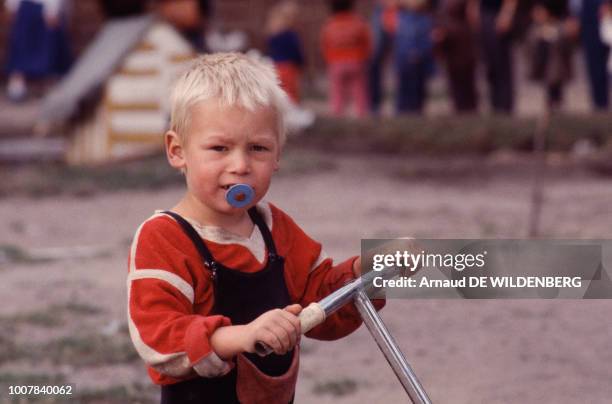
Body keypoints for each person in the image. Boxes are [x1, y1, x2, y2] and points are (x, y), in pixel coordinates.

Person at [126, 52, 384, 404]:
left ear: (278, 156)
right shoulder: (165, 238)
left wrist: (367, 272)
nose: (240, 165)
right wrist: (239, 336)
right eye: (219, 148)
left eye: (258, 148)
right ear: (177, 150)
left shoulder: (275, 228)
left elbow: (321, 302)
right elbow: (158, 337)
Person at [4, 0, 72, 102]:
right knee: (20, 44)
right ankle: (17, 83)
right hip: (25, 8)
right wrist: (12, 5)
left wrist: (53, 10)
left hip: (45, 9)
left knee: (49, 46)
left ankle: (50, 84)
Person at [320, 0, 372, 117]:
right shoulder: (358, 22)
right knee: (359, 89)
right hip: (356, 61)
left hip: (336, 62)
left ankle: (337, 113)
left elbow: (324, 44)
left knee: (337, 90)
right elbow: (367, 42)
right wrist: (364, 56)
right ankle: (361, 113)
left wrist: (329, 59)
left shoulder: (330, 24)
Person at [435, 0, 479, 112]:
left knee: (466, 77)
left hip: (462, 38)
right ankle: (458, 109)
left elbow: (473, 17)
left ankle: (469, 110)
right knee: (454, 78)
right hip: (448, 40)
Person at [476, 0, 518, 113]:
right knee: (490, 64)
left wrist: (506, 15)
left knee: (501, 64)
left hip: (499, 14)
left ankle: (505, 106)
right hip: (485, 14)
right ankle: (494, 104)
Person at [394, 0, 435, 114]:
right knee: (404, 89)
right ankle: (403, 112)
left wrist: (420, 52)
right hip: (404, 60)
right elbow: (400, 40)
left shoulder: (425, 21)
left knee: (418, 89)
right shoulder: (401, 19)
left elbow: (428, 41)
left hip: (420, 60)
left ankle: (417, 111)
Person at [571, 0, 610, 110]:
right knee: (594, 65)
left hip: (603, 11)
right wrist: (573, 15)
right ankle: (600, 104)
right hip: (586, 15)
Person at [265, 0, 305, 104]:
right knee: (291, 91)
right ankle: (293, 110)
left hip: (275, 66)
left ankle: (282, 109)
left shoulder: (272, 35)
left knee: (280, 91)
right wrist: (302, 63)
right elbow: (296, 52)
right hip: (288, 67)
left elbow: (269, 51)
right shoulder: (291, 35)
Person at [369, 0, 400, 115]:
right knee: (373, 60)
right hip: (382, 11)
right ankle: (374, 105)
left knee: (402, 63)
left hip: (402, 12)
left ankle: (403, 106)